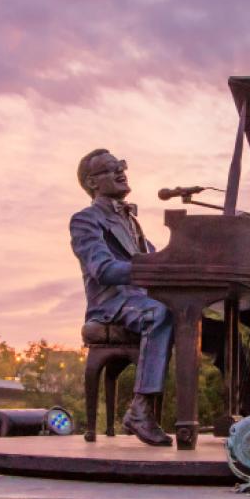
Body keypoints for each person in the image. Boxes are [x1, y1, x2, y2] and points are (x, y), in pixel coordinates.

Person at [68, 148, 174, 446]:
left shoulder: (131, 221)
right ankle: (140, 410)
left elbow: (155, 258)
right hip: (111, 305)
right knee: (161, 313)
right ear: (92, 182)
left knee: (205, 319)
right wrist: (149, 269)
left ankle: (245, 410)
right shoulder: (85, 220)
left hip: (141, 300)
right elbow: (102, 268)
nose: (121, 171)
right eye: (111, 168)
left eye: (122, 165)